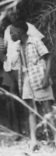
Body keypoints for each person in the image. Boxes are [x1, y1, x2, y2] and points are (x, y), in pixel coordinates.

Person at [10, 21, 56, 150]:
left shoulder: (34, 41)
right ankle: (34, 141)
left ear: (19, 32)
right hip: (26, 80)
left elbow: (48, 57)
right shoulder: (18, 46)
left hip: (39, 78)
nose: (10, 35)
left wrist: (46, 78)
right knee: (31, 110)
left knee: (47, 109)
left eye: (12, 33)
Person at [3, 8, 44, 134]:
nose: (13, 16)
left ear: (20, 14)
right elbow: (6, 48)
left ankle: (36, 130)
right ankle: (18, 129)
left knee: (30, 98)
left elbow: (39, 42)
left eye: (15, 14)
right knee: (13, 97)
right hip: (10, 68)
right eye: (11, 15)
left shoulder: (28, 27)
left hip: (25, 68)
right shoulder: (7, 29)